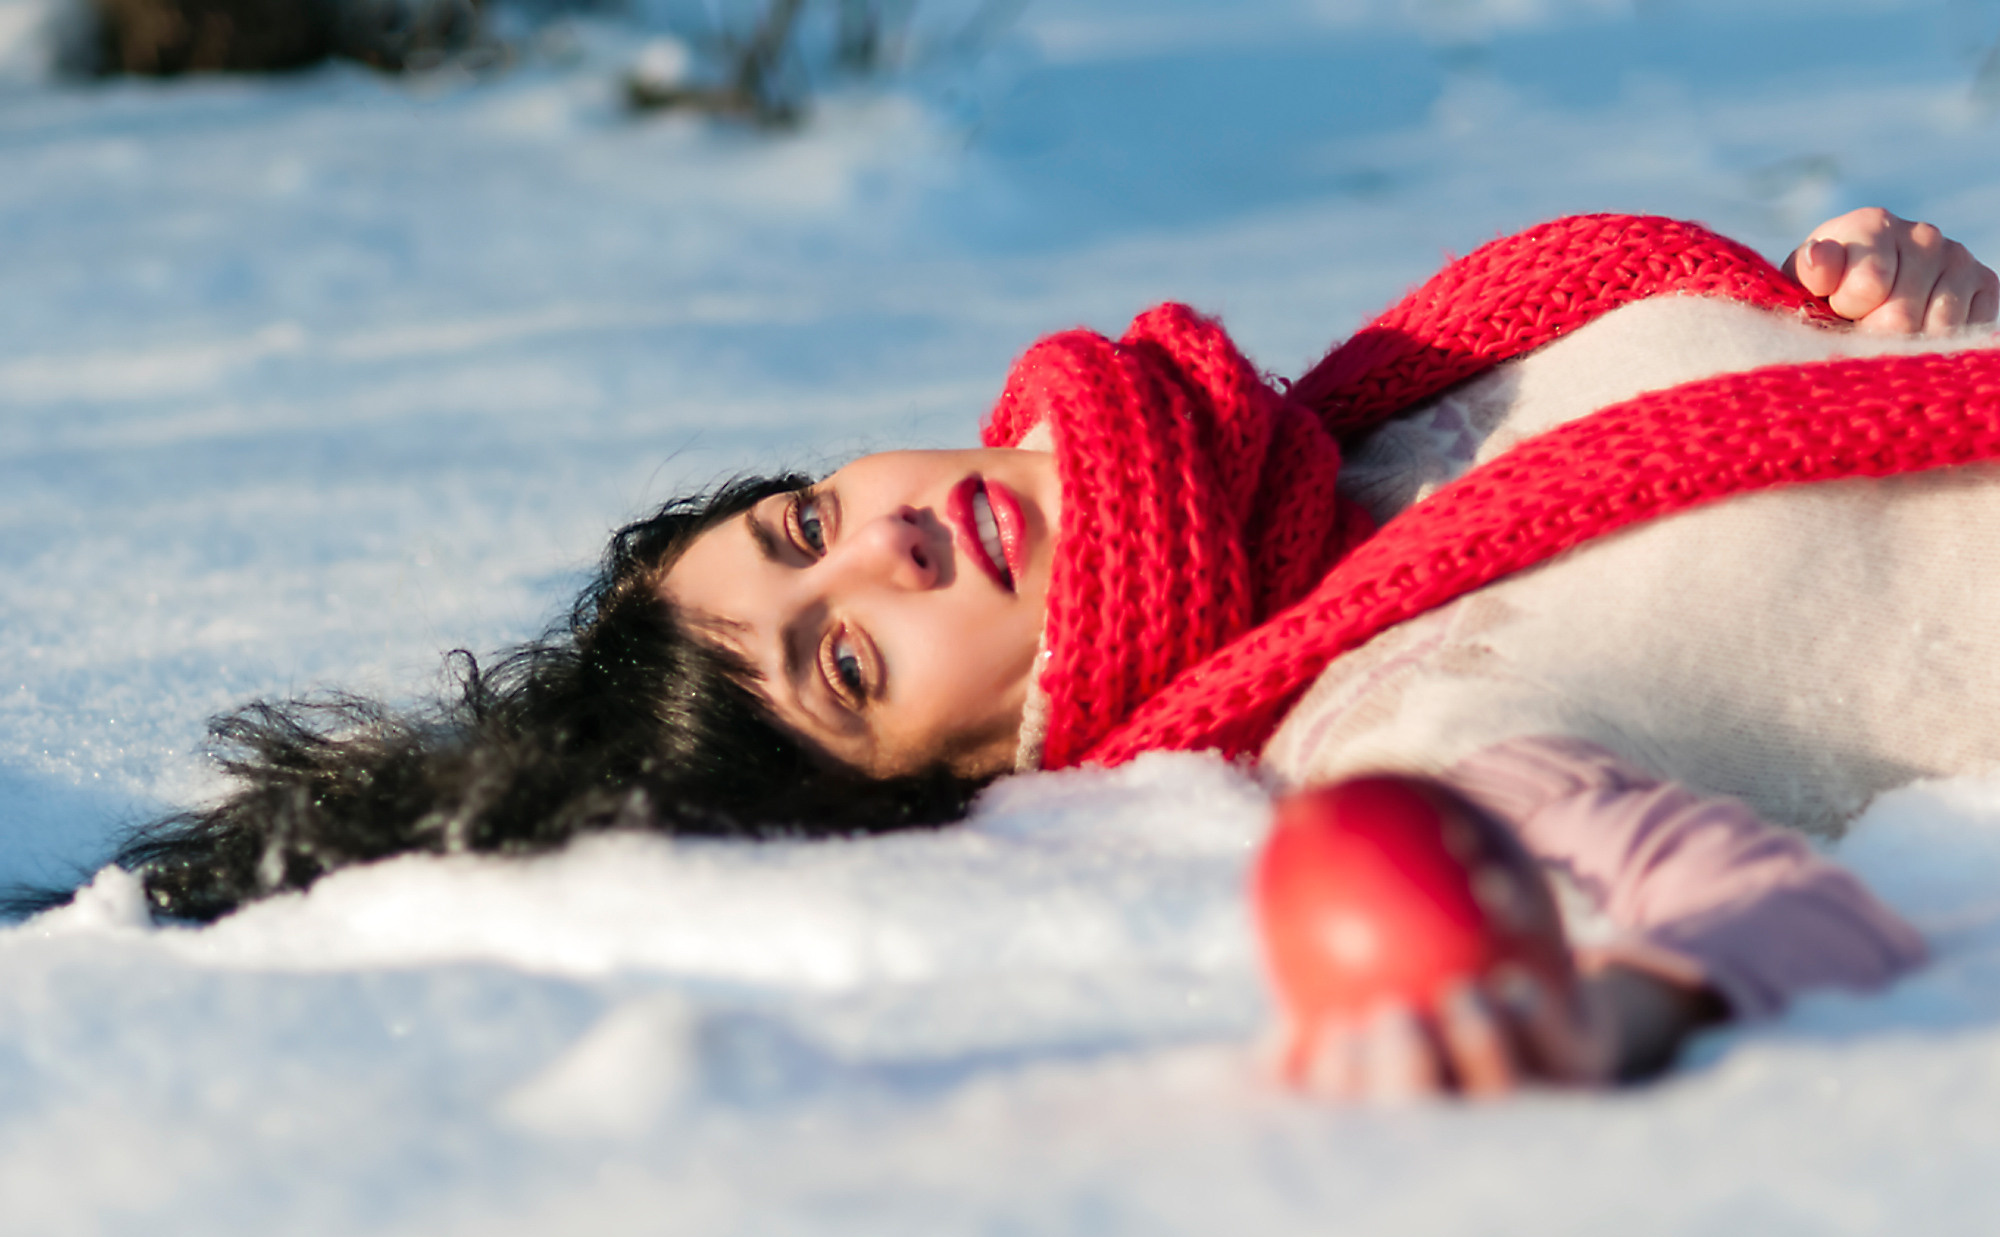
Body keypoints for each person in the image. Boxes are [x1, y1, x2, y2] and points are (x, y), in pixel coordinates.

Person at [115, 207, 1999, 1099]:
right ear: (968, 779)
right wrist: (1620, 1009)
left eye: (800, 527)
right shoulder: (1399, 734)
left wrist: (1911, 308)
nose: (883, 547)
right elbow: (1799, 928)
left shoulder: (1373, 404)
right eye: (848, 661)